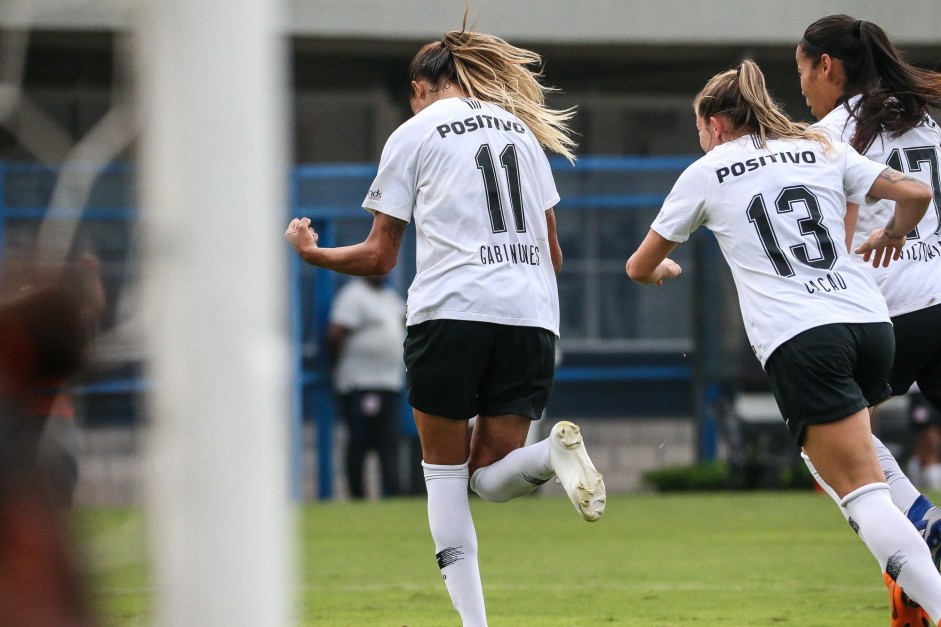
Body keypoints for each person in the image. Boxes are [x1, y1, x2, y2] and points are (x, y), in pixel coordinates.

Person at [285, 18, 605, 626]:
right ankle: (550, 461)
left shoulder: (414, 133)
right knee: (491, 476)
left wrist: (313, 254)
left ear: (421, 87)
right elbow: (554, 255)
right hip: (532, 315)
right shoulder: (521, 133)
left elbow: (380, 255)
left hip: (451, 311)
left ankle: (475, 625)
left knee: (447, 476)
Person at [625, 59, 941, 621]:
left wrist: (660, 274)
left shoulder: (708, 170)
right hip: (871, 326)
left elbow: (639, 265)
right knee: (846, 467)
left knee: (863, 495)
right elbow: (915, 193)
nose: (701, 140)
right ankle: (915, 564)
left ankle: (929, 574)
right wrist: (891, 235)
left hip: (804, 339)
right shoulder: (818, 148)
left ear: (716, 126)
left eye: (700, 129)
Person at [795, 15, 941, 622]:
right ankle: (912, 589)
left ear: (827, 66)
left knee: (829, 447)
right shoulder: (929, 116)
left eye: (801, 70)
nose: (801, 85)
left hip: (889, 311)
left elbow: (825, 231)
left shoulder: (831, 133)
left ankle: (924, 527)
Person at [327, 274, 406, 499]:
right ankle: (358, 496)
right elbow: (335, 334)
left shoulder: (389, 297)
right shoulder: (353, 295)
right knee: (360, 440)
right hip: (362, 383)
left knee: (388, 442)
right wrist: (338, 368)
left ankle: (393, 495)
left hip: (389, 383)